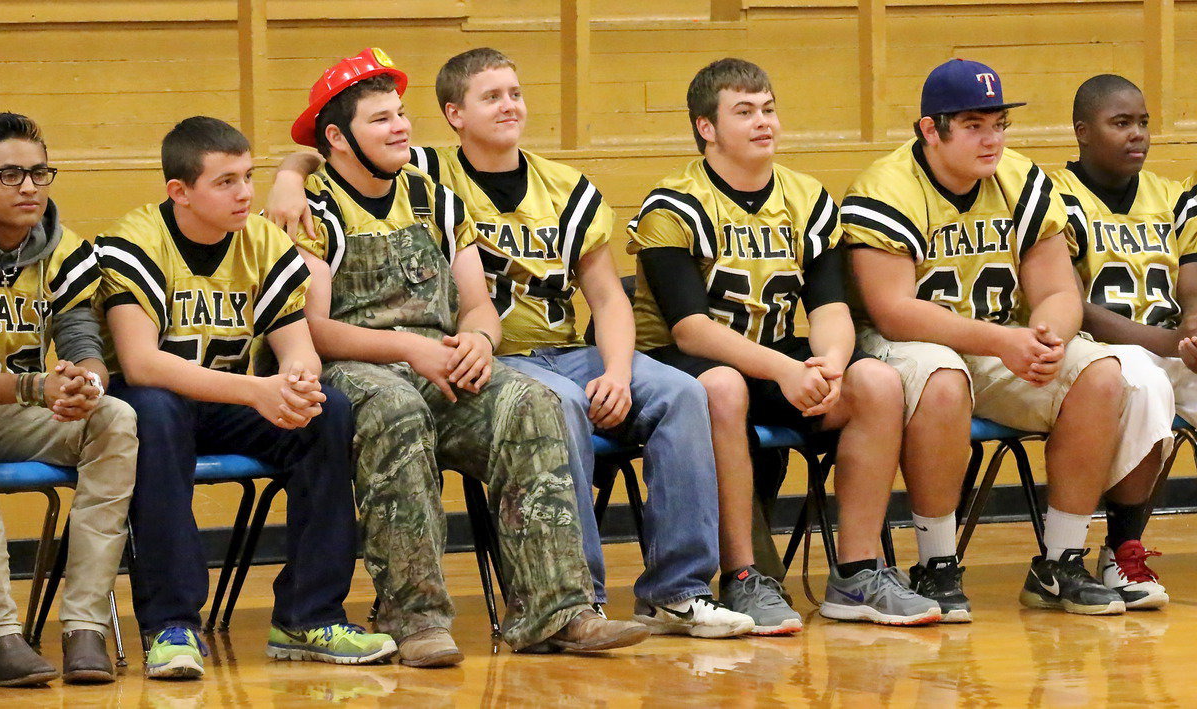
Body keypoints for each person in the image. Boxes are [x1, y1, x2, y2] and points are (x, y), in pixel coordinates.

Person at [267, 47, 750, 639]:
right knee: (414, 408)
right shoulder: (343, 197)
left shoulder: (436, 196)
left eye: (400, 113)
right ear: (455, 114)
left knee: (565, 401)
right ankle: (417, 619)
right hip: (365, 368)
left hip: (478, 359)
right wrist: (290, 174)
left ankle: (575, 609)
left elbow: (484, 304)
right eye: (383, 118)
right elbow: (309, 323)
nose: (400, 125)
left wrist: (477, 335)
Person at [843, 59, 1170, 619]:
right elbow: (894, 312)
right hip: (908, 347)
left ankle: (1060, 561)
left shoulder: (1023, 179)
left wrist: (1049, 336)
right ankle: (936, 564)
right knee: (943, 380)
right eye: (973, 125)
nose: (991, 138)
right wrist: (1002, 342)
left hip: (998, 344)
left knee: (1098, 370)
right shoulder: (886, 186)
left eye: (998, 123)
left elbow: (1059, 292)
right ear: (930, 129)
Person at [627, 58, 940, 629]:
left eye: (768, 109)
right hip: (684, 362)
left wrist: (832, 366)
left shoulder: (807, 197)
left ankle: (858, 572)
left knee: (877, 381)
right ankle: (743, 578)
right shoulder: (672, 204)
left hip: (770, 355)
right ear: (706, 128)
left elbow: (830, 308)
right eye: (743, 112)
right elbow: (690, 330)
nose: (762, 122)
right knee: (721, 387)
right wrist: (786, 373)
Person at [96, 116, 395, 680]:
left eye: (248, 176)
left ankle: (309, 616)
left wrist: (299, 384)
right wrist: (260, 391)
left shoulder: (260, 239)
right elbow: (141, 363)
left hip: (234, 401)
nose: (245, 194)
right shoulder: (132, 241)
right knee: (152, 414)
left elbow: (297, 346)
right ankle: (171, 625)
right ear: (179, 193)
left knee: (328, 412)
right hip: (156, 401)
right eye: (226, 182)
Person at [0, 113, 136, 686]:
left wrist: (86, 385)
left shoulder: (67, 250)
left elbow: (82, 342)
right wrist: (36, 386)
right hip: (21, 398)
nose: (29, 187)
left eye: (38, 173)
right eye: (9, 175)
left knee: (116, 418)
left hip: (25, 413)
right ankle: (2, 635)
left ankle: (85, 626)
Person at [1053, 74, 1197, 608]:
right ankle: (1121, 549)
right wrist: (1167, 343)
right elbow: (1069, 302)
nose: (1137, 134)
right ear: (1082, 132)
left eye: (1142, 123)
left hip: (1167, 343)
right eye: (1121, 124)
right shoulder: (1053, 197)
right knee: (1143, 380)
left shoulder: (1169, 196)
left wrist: (1193, 332)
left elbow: (1191, 279)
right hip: (1094, 353)